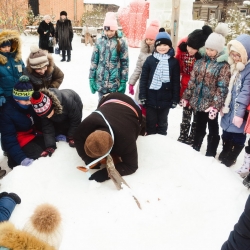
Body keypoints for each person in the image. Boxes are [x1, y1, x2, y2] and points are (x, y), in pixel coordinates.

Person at [182, 23, 230, 157]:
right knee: (199, 126)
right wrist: (187, 97)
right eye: (207, 48)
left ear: (219, 50)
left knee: (213, 128)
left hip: (211, 105)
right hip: (198, 101)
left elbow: (222, 87)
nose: (209, 52)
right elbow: (192, 81)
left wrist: (215, 106)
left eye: (212, 50)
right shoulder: (200, 62)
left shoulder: (223, 66)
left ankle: (211, 152)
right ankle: (196, 148)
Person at [74, 92, 145, 183]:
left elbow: (131, 166)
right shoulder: (85, 125)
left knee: (142, 128)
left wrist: (106, 173)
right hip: (109, 98)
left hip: (132, 106)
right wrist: (88, 160)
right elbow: (78, 139)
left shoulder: (126, 140)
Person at [139, 28, 180, 135]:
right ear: (155, 46)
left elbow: (176, 82)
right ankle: (152, 144)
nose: (162, 47)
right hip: (150, 98)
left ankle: (161, 144)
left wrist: (175, 98)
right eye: (159, 45)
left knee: (162, 124)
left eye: (165, 45)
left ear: (170, 46)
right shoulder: (150, 60)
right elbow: (143, 79)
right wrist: (142, 95)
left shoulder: (173, 62)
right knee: (150, 123)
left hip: (166, 100)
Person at [0, 76, 47, 169]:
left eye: (31, 99)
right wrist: (21, 158)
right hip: (19, 139)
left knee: (49, 147)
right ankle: (14, 161)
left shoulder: (31, 105)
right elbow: (9, 139)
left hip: (33, 134)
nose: (29, 102)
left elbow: (41, 122)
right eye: (26, 100)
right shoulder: (7, 113)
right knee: (38, 157)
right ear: (16, 99)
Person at [176, 25, 213, 145]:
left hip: (198, 92)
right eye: (189, 46)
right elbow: (178, 68)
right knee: (186, 115)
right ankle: (183, 135)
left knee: (196, 118)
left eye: (194, 48)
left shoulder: (202, 60)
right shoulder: (183, 54)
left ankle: (192, 136)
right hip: (185, 89)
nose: (190, 50)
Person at [219, 34, 250, 168]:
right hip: (228, 107)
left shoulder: (247, 70)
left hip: (239, 110)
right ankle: (226, 150)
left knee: (237, 135)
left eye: (238, 55)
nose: (235, 58)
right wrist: (222, 104)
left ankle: (232, 155)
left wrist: (239, 114)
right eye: (233, 55)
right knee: (226, 132)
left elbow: (245, 93)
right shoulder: (232, 67)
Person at [89, 12, 129, 100]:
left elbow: (125, 63)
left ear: (115, 30)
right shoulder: (99, 42)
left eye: (111, 30)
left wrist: (123, 81)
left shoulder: (121, 43)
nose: (109, 33)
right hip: (101, 82)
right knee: (102, 106)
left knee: (113, 109)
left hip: (115, 83)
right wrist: (91, 78)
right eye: (107, 30)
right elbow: (94, 61)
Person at [128, 20, 160, 116]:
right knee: (140, 108)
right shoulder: (142, 53)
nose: (149, 42)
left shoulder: (159, 54)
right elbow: (138, 68)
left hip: (154, 85)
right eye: (147, 39)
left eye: (151, 39)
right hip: (142, 85)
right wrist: (132, 82)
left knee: (150, 109)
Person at [0, 29, 25, 104]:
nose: (7, 49)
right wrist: (0, 94)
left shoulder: (17, 58)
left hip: (20, 94)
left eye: (8, 46)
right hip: (5, 96)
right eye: (3, 47)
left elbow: (24, 73)